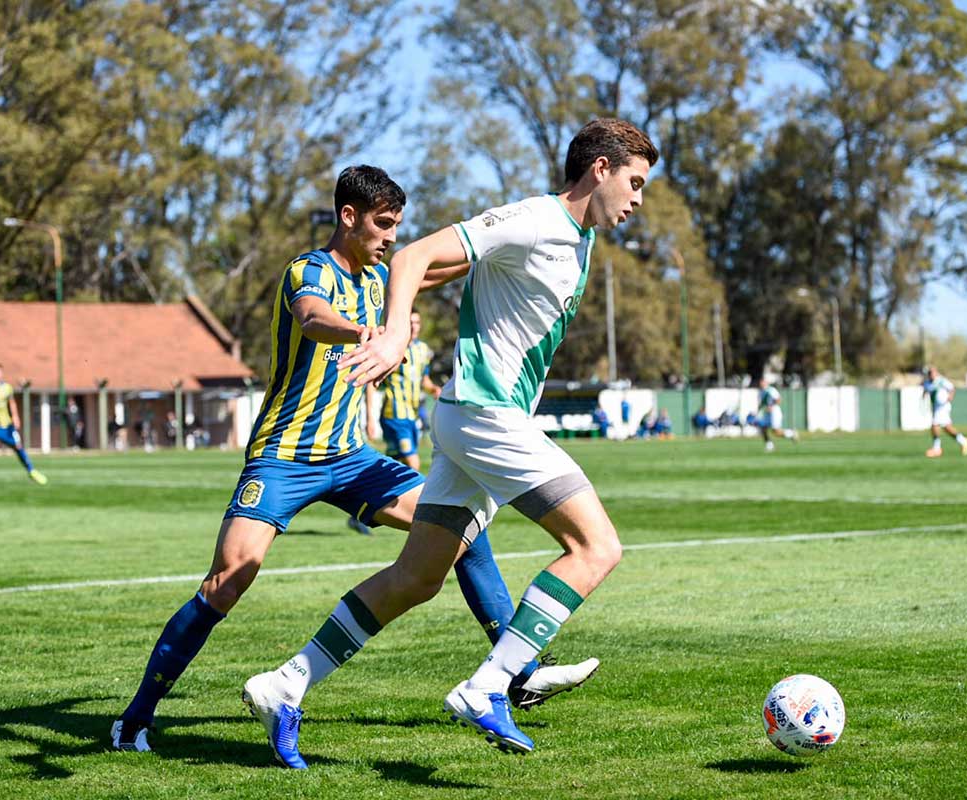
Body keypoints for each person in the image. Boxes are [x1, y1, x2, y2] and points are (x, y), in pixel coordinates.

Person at [111, 165, 597, 756]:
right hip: (283, 457)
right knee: (228, 581)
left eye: (398, 226)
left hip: (351, 458)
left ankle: (515, 674)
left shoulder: (380, 276)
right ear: (349, 217)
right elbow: (314, 320)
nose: (392, 236)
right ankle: (135, 718)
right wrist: (369, 332)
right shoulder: (308, 271)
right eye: (383, 224)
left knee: (465, 529)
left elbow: (459, 260)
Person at [241, 118, 657, 764]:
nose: (637, 199)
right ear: (599, 169)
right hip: (488, 415)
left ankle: (286, 682)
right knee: (595, 546)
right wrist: (393, 334)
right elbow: (412, 256)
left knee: (417, 576)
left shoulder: (577, 241)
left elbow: (445, 272)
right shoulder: (535, 218)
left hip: (475, 420)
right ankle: (489, 685)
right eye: (634, 182)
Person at [346, 310, 439, 535]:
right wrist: (368, 418)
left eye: (417, 322)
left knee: (390, 466)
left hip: (413, 417)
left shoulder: (423, 350)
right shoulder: (390, 347)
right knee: (413, 464)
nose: (414, 326)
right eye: (410, 322)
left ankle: (360, 511)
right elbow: (369, 381)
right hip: (393, 415)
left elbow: (423, 379)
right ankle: (421, 518)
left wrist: (436, 389)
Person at [0, 363, 47, 486]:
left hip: (6, 426)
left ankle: (32, 471)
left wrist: (16, 417)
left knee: (18, 447)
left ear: (2, 374)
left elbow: (12, 403)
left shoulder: (7, 388)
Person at [922, 366, 967, 457]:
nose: (931, 374)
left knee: (935, 424)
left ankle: (937, 449)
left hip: (943, 406)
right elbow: (926, 390)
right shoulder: (927, 383)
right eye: (930, 373)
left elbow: (952, 388)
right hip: (936, 407)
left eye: (933, 372)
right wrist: (924, 397)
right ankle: (963, 441)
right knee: (946, 428)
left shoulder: (941, 381)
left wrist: (950, 396)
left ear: (936, 373)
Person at [757, 377, 799, 452]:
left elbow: (779, 399)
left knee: (776, 432)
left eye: (763, 382)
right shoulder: (761, 392)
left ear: (766, 383)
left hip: (775, 412)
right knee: (763, 428)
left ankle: (791, 433)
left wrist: (771, 406)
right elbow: (762, 403)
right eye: (761, 382)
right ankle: (769, 445)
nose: (761, 383)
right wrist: (757, 412)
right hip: (767, 413)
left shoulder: (771, 390)